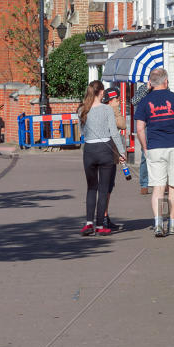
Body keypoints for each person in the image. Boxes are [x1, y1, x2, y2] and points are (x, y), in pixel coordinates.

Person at [133, 66, 174, 237]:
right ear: (166, 81)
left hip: (155, 147)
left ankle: (159, 224)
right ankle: (173, 224)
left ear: (150, 83)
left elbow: (140, 128)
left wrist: (145, 147)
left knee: (158, 188)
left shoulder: (145, 102)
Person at [77, 80, 127, 235]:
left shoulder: (82, 110)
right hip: (105, 150)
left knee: (91, 188)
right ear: (100, 93)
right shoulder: (107, 110)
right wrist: (121, 152)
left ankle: (88, 223)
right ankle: (100, 226)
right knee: (104, 190)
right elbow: (114, 132)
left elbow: (82, 132)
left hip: (89, 150)